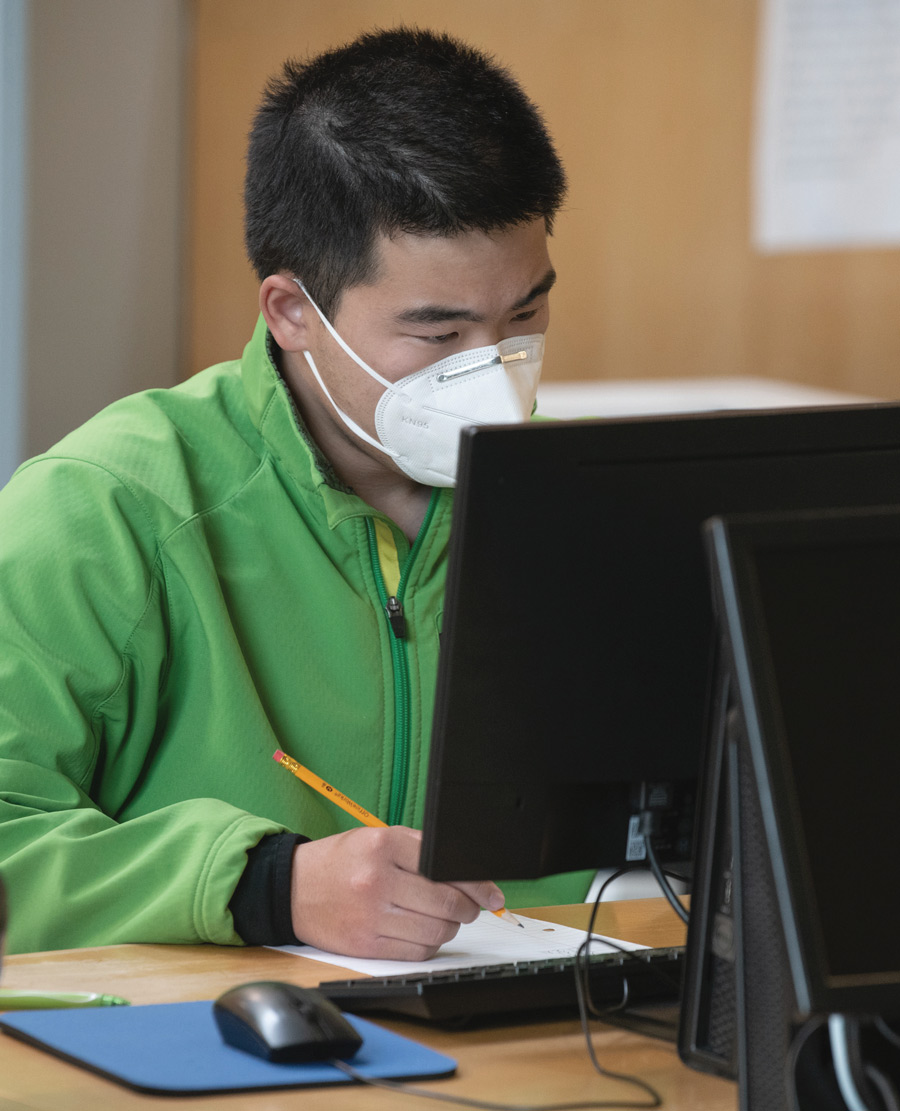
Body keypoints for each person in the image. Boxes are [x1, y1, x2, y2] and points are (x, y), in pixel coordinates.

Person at [0, 27, 593, 957]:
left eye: (523, 314)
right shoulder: (105, 510)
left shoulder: (594, 507)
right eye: (437, 334)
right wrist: (262, 884)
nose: (495, 377)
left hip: (557, 1042)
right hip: (208, 1058)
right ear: (291, 312)